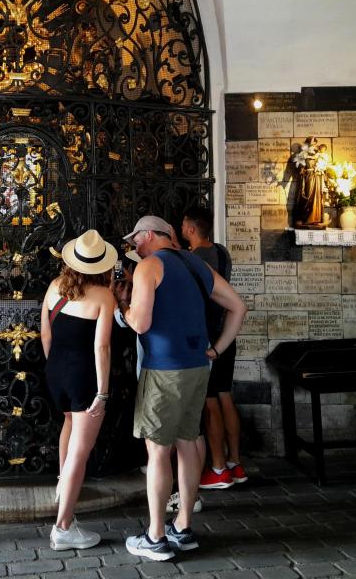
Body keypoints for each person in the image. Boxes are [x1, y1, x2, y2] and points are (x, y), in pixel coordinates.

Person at [115, 215, 247, 562]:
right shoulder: (196, 264)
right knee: (189, 443)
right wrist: (217, 349)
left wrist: (121, 307)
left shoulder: (148, 267)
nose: (133, 247)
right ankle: (183, 526)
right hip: (197, 365)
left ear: (146, 236)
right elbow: (238, 306)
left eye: (134, 241)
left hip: (163, 368)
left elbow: (140, 323)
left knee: (158, 451)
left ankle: (155, 536)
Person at [41, 229, 117, 550]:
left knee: (68, 426)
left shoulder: (54, 287)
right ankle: (63, 527)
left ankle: (63, 486)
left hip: (55, 370)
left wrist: (56, 366)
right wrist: (102, 391)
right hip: (85, 376)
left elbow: (46, 334)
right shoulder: (104, 297)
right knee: (81, 451)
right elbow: (102, 347)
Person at [181, 207, 247, 490]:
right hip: (227, 335)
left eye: (184, 224)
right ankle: (235, 462)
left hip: (207, 336)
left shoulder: (192, 259)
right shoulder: (221, 251)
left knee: (208, 403)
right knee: (225, 396)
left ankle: (218, 467)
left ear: (191, 229)